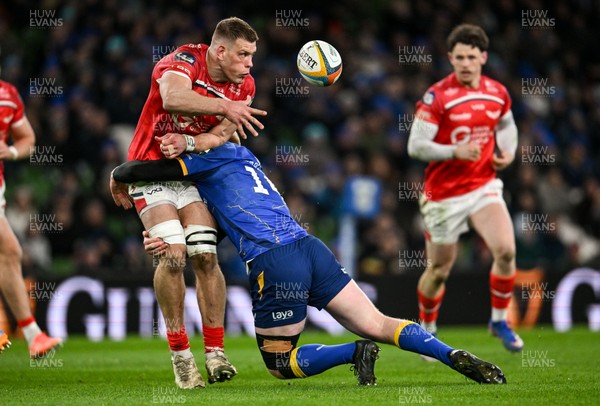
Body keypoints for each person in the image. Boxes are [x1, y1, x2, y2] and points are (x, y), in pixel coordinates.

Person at [110, 139, 507, 385]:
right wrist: (172, 239)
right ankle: (450, 354)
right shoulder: (246, 158)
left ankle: (352, 353)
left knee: (280, 362)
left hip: (275, 262)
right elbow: (229, 224)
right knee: (379, 321)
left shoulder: (205, 159)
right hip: (310, 247)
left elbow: (134, 171)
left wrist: (124, 182)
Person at [122, 16, 267, 388]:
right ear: (220, 51)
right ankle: (181, 356)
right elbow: (172, 97)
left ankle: (216, 353)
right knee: (173, 253)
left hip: (189, 175)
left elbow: (222, 134)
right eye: (243, 54)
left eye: (252, 55)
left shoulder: (244, 85)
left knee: (204, 254)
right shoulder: (185, 60)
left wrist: (190, 143)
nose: (250, 64)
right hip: (149, 172)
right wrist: (225, 108)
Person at [407, 24, 522, 354]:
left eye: (472, 57)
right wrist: (452, 152)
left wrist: (509, 152)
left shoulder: (497, 92)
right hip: (442, 195)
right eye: (459, 57)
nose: (466, 63)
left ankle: (499, 321)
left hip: (483, 186)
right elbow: (416, 146)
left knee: (506, 251)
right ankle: (427, 327)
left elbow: (506, 125)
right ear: (450, 58)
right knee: (439, 270)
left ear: (483, 57)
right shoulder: (438, 96)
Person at [0, 79, 62, 358]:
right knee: (10, 250)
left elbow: (28, 140)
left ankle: (33, 335)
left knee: (10, 251)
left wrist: (11, 151)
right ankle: (33, 335)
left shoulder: (8, 95)